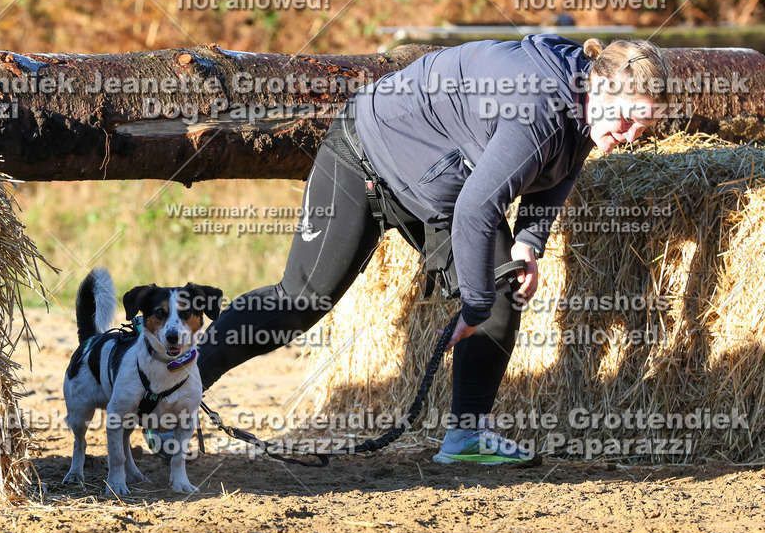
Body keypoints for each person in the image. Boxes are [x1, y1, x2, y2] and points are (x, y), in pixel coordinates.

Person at [192, 34, 669, 465]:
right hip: (365, 152)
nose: (626, 138)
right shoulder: (541, 108)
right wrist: (473, 304)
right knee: (300, 301)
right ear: (599, 85)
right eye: (626, 120)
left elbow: (563, 166)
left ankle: (467, 437)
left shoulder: (584, 99)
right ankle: (175, 392)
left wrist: (528, 241)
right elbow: (478, 211)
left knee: (503, 288)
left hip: (436, 180)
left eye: (640, 130)